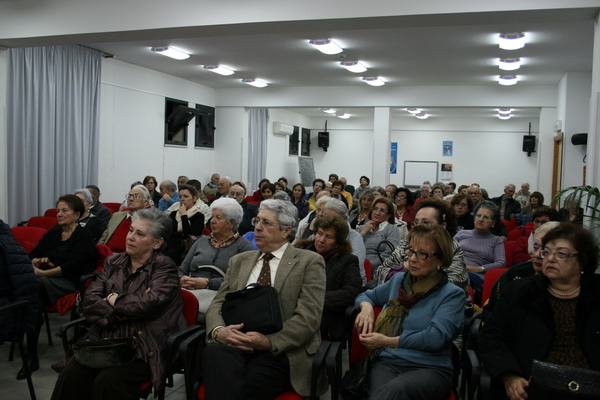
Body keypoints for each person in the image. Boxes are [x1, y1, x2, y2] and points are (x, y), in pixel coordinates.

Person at [51, 208, 187, 399]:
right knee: (71, 374)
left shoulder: (164, 267)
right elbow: (90, 301)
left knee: (108, 381)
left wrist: (114, 299)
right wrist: (126, 305)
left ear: (157, 243)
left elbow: (149, 303)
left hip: (145, 344)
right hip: (107, 339)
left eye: (140, 234)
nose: (130, 237)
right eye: (131, 230)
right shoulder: (114, 262)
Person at [203, 200, 327, 399]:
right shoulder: (239, 261)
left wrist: (268, 341)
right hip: (237, 341)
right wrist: (219, 332)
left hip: (281, 349)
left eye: (266, 223)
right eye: (257, 220)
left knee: (243, 381)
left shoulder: (309, 262)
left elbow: (309, 317)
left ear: (286, 230)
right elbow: (218, 303)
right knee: (214, 353)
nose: (258, 227)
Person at [479, 223, 600, 400]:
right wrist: (509, 376)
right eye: (546, 252)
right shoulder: (519, 292)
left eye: (561, 254)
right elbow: (491, 338)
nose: (550, 259)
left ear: (582, 260)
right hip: (532, 385)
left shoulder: (596, 293)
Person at [354, 224, 465, 400]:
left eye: (422, 254)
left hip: (430, 369)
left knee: (392, 392)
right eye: (411, 251)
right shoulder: (399, 280)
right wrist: (366, 307)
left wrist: (387, 340)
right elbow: (365, 296)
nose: (412, 259)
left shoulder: (452, 295)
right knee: (382, 394)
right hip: (388, 362)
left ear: (440, 260)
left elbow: (435, 337)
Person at [23, 195, 98, 380]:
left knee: (33, 287)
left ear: (77, 214)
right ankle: (31, 355)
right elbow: (34, 253)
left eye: (64, 211)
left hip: (71, 283)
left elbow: (73, 267)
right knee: (35, 300)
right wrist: (38, 261)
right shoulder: (54, 232)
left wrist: (42, 273)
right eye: (58, 210)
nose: (59, 214)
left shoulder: (84, 236)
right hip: (47, 282)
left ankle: (28, 349)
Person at [376, 198, 469, 306]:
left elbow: (454, 283)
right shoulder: (406, 244)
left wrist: (408, 278)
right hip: (402, 301)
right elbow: (381, 271)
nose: (418, 227)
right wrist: (403, 271)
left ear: (443, 226)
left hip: (441, 305)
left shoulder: (450, 247)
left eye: (426, 223)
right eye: (416, 222)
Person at [178, 198, 253, 315]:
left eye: (218, 218)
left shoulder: (244, 247)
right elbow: (182, 270)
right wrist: (182, 279)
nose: (212, 221)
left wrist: (208, 283)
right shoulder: (201, 241)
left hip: (220, 297)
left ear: (231, 223)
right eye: (212, 217)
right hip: (189, 291)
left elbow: (238, 281)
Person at [482, 221, 560, 320]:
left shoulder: (570, 286)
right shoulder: (514, 274)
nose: (537, 255)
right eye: (536, 247)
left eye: (546, 250)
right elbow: (490, 313)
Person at [301, 214, 362, 340]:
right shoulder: (301, 252)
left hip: (325, 317)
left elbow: (350, 293)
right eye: (320, 233)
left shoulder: (348, 261)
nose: (321, 240)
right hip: (294, 312)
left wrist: (311, 299)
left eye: (329, 237)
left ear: (337, 243)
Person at [0, 219, 38, 378]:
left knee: (41, 292)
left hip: (8, 311)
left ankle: (31, 356)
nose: (59, 214)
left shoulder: (5, 248)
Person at [454, 200, 505, 290]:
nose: (481, 219)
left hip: (475, 276)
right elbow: (447, 252)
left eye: (486, 217)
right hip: (454, 269)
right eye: (478, 216)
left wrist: (478, 269)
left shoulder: (496, 240)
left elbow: (501, 263)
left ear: (493, 223)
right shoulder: (462, 233)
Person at [323, 198, 367, 283]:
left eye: (331, 218)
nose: (327, 221)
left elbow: (354, 268)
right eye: (325, 216)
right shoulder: (319, 234)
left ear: (343, 219)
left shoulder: (355, 238)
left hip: (349, 281)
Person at [98, 185, 150, 253]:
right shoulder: (116, 215)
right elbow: (104, 238)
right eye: (129, 196)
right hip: (107, 254)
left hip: (127, 257)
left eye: (136, 196)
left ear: (145, 202)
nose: (131, 199)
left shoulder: (148, 220)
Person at [164, 184, 205, 264]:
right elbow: (168, 232)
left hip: (189, 250)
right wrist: (181, 235)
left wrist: (183, 215)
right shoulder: (173, 214)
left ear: (194, 198)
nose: (182, 199)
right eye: (180, 197)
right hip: (172, 247)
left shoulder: (199, 216)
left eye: (186, 196)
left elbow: (191, 234)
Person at [357, 197, 401, 272]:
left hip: (378, 269)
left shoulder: (392, 229)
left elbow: (389, 254)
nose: (377, 213)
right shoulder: (361, 228)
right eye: (375, 209)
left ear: (388, 215)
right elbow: (351, 248)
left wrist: (367, 266)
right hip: (357, 265)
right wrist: (363, 233)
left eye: (382, 211)